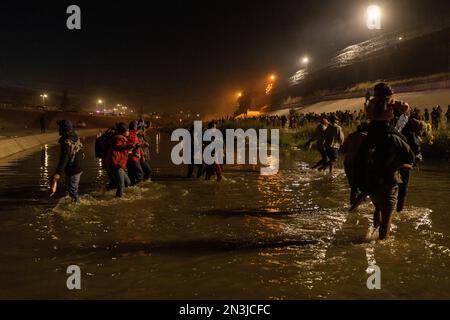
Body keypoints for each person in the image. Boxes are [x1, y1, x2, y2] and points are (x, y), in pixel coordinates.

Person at [52, 120, 85, 203]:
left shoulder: (66, 142)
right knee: (68, 189)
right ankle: (71, 203)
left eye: (60, 128)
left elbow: (64, 158)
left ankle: (77, 207)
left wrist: (58, 173)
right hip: (75, 167)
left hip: (74, 169)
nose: (59, 130)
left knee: (73, 191)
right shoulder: (74, 135)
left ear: (64, 130)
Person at [342, 122, 368, 206]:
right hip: (359, 164)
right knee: (365, 188)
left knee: (353, 187)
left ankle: (354, 205)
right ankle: (354, 208)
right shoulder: (366, 137)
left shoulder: (350, 136)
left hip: (347, 163)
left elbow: (343, 150)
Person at [106, 123, 133, 197]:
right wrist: (128, 146)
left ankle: (107, 191)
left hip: (118, 164)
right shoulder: (119, 138)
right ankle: (118, 200)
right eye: (127, 131)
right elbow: (118, 146)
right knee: (121, 185)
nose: (128, 132)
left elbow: (122, 150)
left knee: (127, 182)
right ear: (123, 131)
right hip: (116, 164)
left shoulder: (122, 138)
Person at [127, 121, 144, 185]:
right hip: (134, 159)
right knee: (139, 175)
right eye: (136, 126)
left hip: (130, 159)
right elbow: (132, 146)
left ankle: (132, 188)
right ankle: (139, 190)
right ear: (134, 127)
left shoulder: (129, 134)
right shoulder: (132, 135)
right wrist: (135, 152)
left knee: (131, 176)